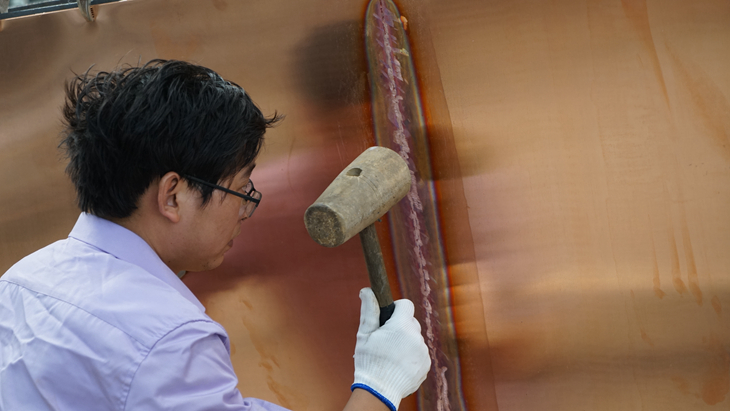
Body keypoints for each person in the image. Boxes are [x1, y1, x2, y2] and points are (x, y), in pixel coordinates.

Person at [0, 60, 430, 411]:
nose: (246, 210)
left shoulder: (21, 280)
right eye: (241, 190)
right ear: (172, 195)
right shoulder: (168, 339)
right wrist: (379, 386)